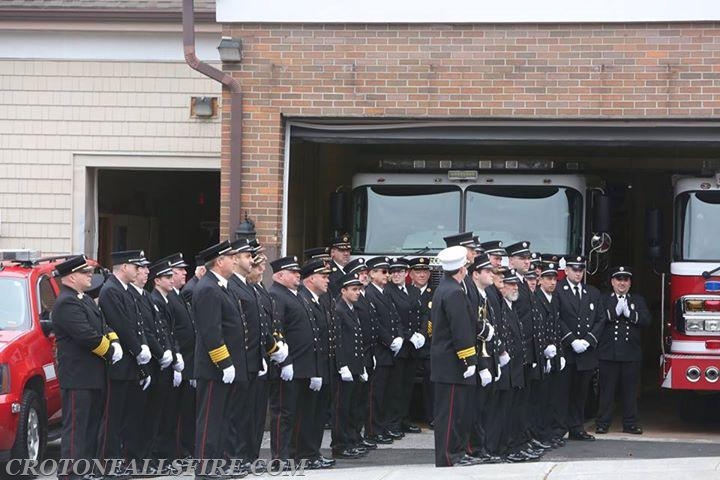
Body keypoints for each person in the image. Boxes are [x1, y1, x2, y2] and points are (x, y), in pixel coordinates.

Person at [53, 255, 121, 480]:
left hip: (92, 376)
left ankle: (86, 469)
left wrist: (115, 340)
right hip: (78, 377)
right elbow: (86, 335)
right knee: (76, 429)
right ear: (72, 277)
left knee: (91, 426)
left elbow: (102, 324)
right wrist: (110, 351)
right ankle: (71, 473)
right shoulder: (66, 302)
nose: (90, 276)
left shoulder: (83, 299)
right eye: (85, 273)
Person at [192, 240, 248, 479]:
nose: (235, 260)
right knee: (210, 420)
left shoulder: (221, 286)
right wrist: (224, 363)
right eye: (231, 257)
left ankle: (220, 464)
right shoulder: (208, 288)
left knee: (223, 419)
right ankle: (206, 469)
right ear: (220, 261)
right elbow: (211, 332)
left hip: (226, 366)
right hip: (214, 367)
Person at [97, 250, 152, 468]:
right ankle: (106, 464)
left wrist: (142, 350)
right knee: (111, 417)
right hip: (118, 365)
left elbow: (136, 324)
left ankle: (119, 461)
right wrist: (138, 349)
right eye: (135, 266)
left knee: (124, 417)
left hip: (130, 364)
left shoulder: (125, 290)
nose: (139, 270)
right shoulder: (111, 290)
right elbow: (120, 324)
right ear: (123, 267)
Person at [268, 255, 322, 470]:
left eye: (298, 272)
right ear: (280, 275)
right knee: (284, 414)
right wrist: (285, 362)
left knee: (299, 413)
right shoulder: (277, 295)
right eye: (293, 272)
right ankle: (282, 458)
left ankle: (297, 455)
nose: (298, 275)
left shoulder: (296, 295)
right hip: (287, 368)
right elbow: (277, 331)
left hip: (303, 367)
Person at [431, 245, 482, 467]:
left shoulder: (444, 288)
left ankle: (456, 452)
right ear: (461, 269)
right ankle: (449, 456)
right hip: (453, 363)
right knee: (451, 414)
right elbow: (460, 330)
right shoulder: (454, 292)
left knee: (457, 411)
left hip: (448, 361)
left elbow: (433, 327)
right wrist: (469, 359)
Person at [596, 266, 651, 435]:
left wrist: (630, 313)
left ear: (630, 283)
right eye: (619, 279)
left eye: (625, 280)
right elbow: (597, 319)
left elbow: (647, 320)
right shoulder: (604, 299)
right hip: (608, 354)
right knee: (607, 391)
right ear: (612, 282)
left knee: (630, 392)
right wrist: (614, 312)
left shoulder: (637, 300)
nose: (622, 283)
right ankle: (603, 423)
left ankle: (630, 423)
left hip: (630, 354)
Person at [556, 255, 603, 441]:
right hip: (567, 351)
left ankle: (576, 427)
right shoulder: (559, 290)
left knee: (580, 393)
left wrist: (589, 340)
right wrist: (571, 340)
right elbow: (557, 317)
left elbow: (600, 319)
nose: (578, 273)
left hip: (586, 352)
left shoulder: (592, 292)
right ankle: (559, 429)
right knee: (562, 392)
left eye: (581, 270)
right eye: (574, 269)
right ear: (566, 270)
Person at [331, 272, 368, 459]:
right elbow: (338, 341)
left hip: (354, 366)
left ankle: (350, 440)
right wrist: (342, 365)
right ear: (343, 291)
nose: (358, 293)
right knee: (341, 409)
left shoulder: (351, 309)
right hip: (344, 368)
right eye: (354, 289)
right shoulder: (339, 310)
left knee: (352, 406)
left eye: (359, 289)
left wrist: (361, 367)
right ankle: (340, 444)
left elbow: (356, 341)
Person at [385, 257, 424, 435]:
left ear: (407, 273)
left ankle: (404, 419)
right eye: (393, 272)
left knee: (408, 385)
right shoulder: (388, 292)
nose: (396, 275)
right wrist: (408, 336)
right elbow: (394, 318)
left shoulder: (413, 290)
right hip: (399, 345)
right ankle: (393, 422)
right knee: (396, 387)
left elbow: (423, 313)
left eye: (400, 271)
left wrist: (422, 333)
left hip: (414, 346)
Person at [407, 257, 434, 429]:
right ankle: (406, 418)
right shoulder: (406, 292)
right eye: (418, 271)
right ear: (411, 274)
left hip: (430, 346)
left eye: (425, 271)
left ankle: (431, 417)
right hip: (410, 346)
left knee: (431, 384)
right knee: (406, 383)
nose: (422, 274)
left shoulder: (436, 293)